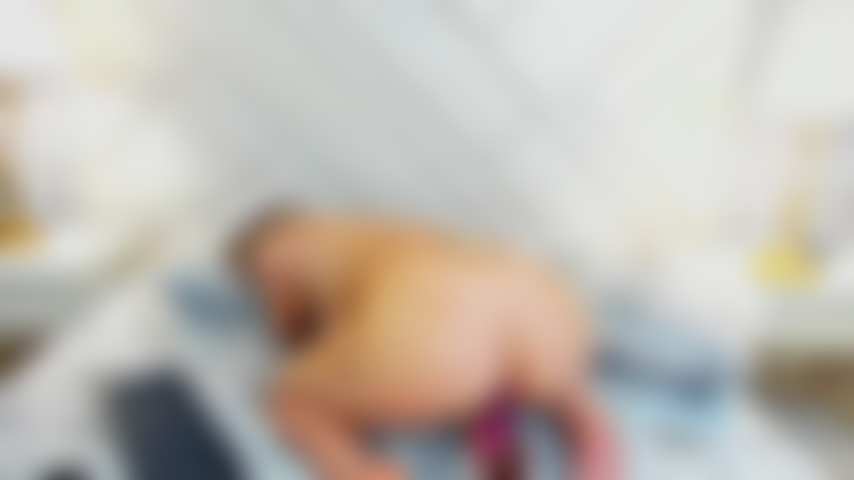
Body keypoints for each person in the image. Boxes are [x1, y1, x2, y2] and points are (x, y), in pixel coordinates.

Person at [233, 208, 617, 480]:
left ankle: (358, 471)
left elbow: (289, 326)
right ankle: (584, 426)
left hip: (442, 342)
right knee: (501, 383)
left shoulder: (289, 248)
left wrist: (284, 318)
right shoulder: (376, 227)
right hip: (549, 314)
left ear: (281, 236)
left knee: (290, 397)